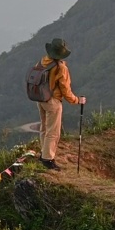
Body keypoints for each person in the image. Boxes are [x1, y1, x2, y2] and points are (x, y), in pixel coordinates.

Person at [35, 38, 85, 170]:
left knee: (44, 128)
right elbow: (65, 90)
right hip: (53, 102)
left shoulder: (43, 61)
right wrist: (77, 100)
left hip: (40, 99)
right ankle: (48, 159)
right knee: (53, 131)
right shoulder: (61, 68)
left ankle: (43, 153)